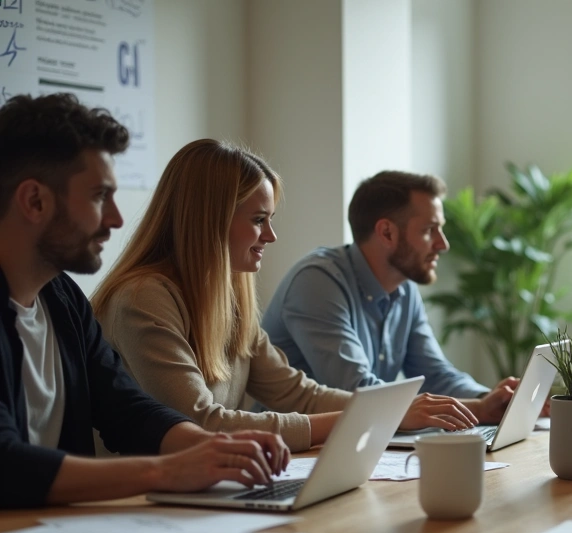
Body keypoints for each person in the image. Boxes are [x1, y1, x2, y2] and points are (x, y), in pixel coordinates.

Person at [92, 142, 476, 454]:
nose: (271, 236)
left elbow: (297, 393)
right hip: (136, 502)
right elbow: (201, 423)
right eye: (259, 220)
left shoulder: (229, 299)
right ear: (210, 220)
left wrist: (387, 410)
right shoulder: (143, 299)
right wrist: (380, 416)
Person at [0, 94, 290, 508]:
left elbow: (126, 410)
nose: (116, 218)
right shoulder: (134, 296)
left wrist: (212, 448)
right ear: (34, 201)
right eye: (100, 196)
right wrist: (167, 471)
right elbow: (7, 465)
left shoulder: (61, 298)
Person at [261, 171, 517, 425]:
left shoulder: (404, 289)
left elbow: (436, 375)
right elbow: (357, 389)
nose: (443, 244)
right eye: (430, 230)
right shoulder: (316, 282)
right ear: (386, 233)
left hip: (360, 442)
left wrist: (490, 400)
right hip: (289, 453)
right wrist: (478, 409)